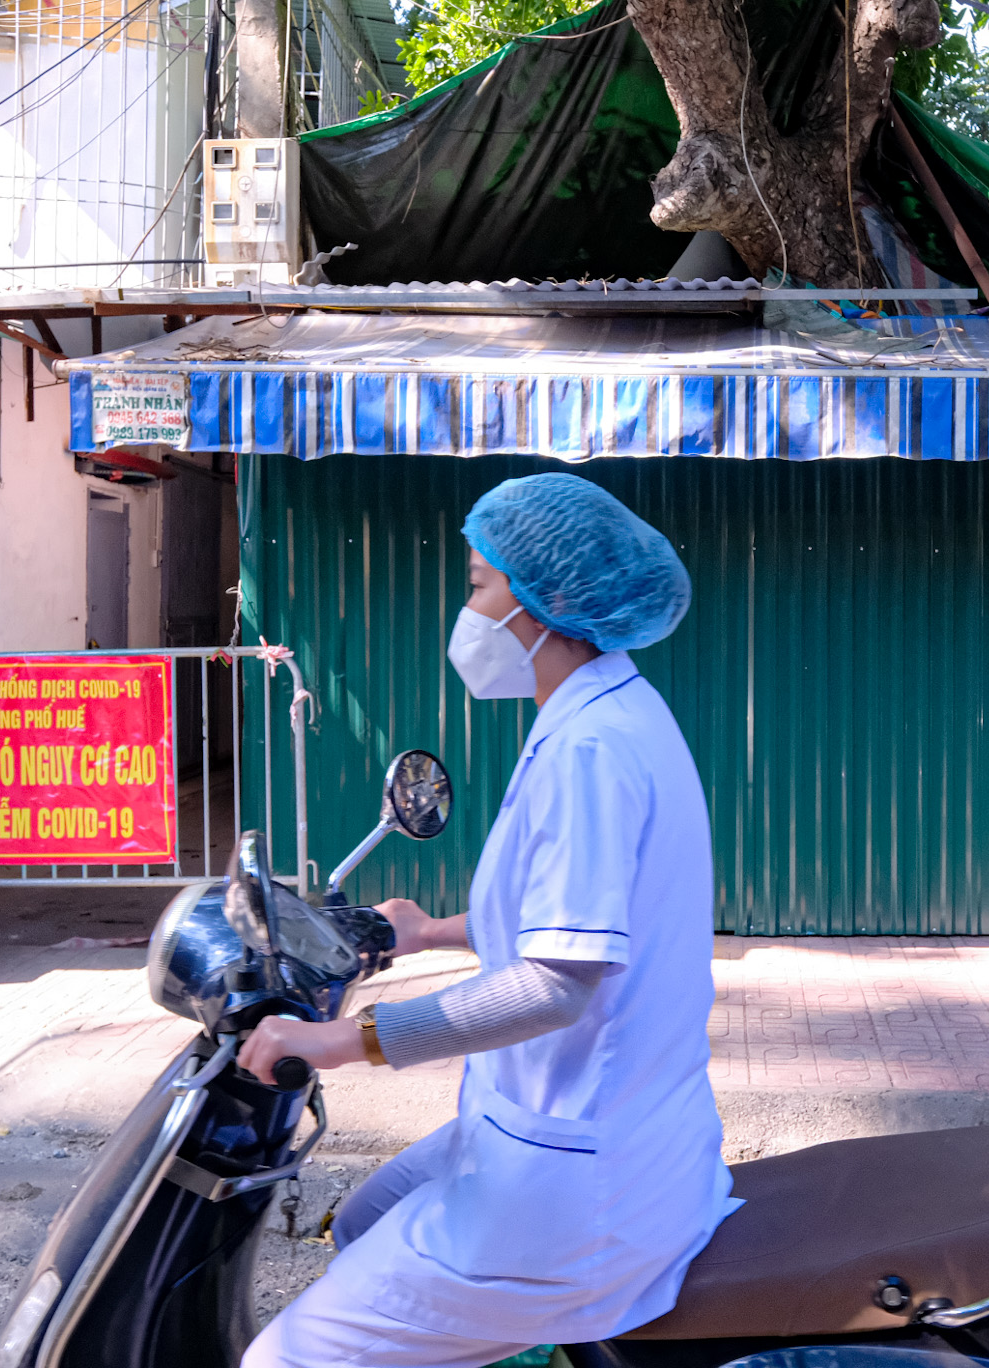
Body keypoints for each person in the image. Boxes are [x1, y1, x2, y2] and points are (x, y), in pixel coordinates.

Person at [236, 473, 733, 1368]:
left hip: (580, 1189)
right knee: (364, 1221)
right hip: (584, 1129)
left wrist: (344, 1042)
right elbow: (567, 919)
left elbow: (554, 985)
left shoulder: (590, 749)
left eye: (477, 585)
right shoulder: (608, 709)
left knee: (283, 1362)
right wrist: (425, 931)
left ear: (546, 603)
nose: (467, 608)